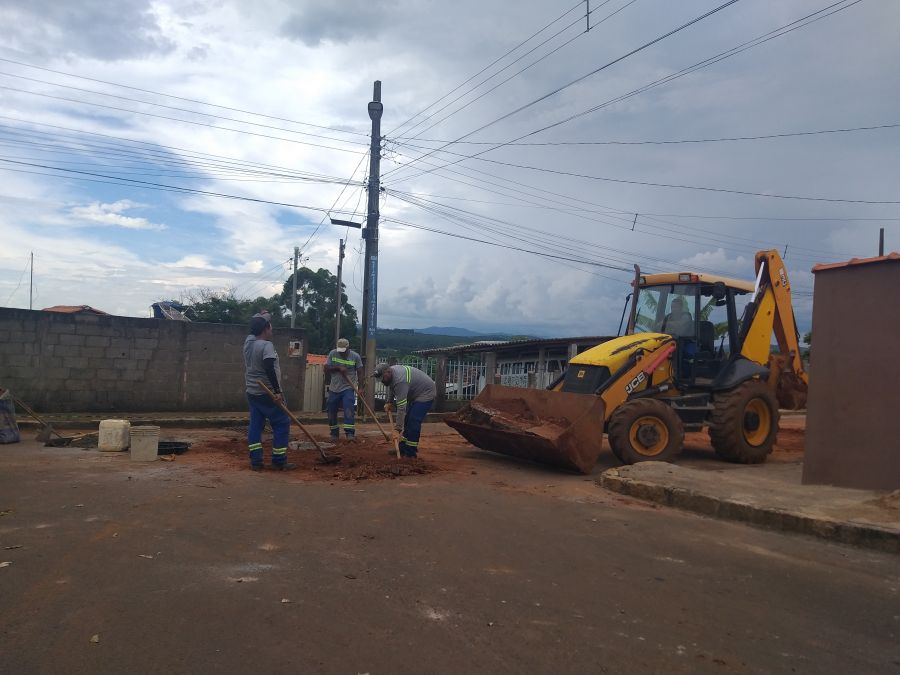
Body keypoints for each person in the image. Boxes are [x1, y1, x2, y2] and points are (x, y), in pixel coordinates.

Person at [243, 315, 294, 471]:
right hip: (267, 393)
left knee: (256, 425)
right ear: (265, 329)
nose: (272, 329)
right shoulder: (266, 346)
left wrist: (262, 316)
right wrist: (277, 391)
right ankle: (279, 460)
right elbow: (268, 367)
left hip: (252, 391)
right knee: (282, 423)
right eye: (270, 326)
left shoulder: (248, 343)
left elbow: (254, 327)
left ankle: (256, 461)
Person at [373, 363, 436, 458]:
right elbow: (392, 386)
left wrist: (397, 429)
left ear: (388, 372)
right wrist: (389, 401)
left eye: (383, 377)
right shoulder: (392, 373)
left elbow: (401, 408)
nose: (382, 381)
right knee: (407, 421)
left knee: (414, 420)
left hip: (426, 393)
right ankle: (403, 448)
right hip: (416, 394)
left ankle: (411, 452)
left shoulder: (400, 380)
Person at [324, 338, 364, 441]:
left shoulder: (355, 356)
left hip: (348, 387)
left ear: (348, 348)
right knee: (331, 410)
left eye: (343, 350)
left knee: (348, 409)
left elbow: (360, 372)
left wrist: (361, 388)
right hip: (334, 388)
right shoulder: (333, 353)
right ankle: (334, 433)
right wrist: (338, 368)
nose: (341, 352)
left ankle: (349, 433)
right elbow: (326, 368)